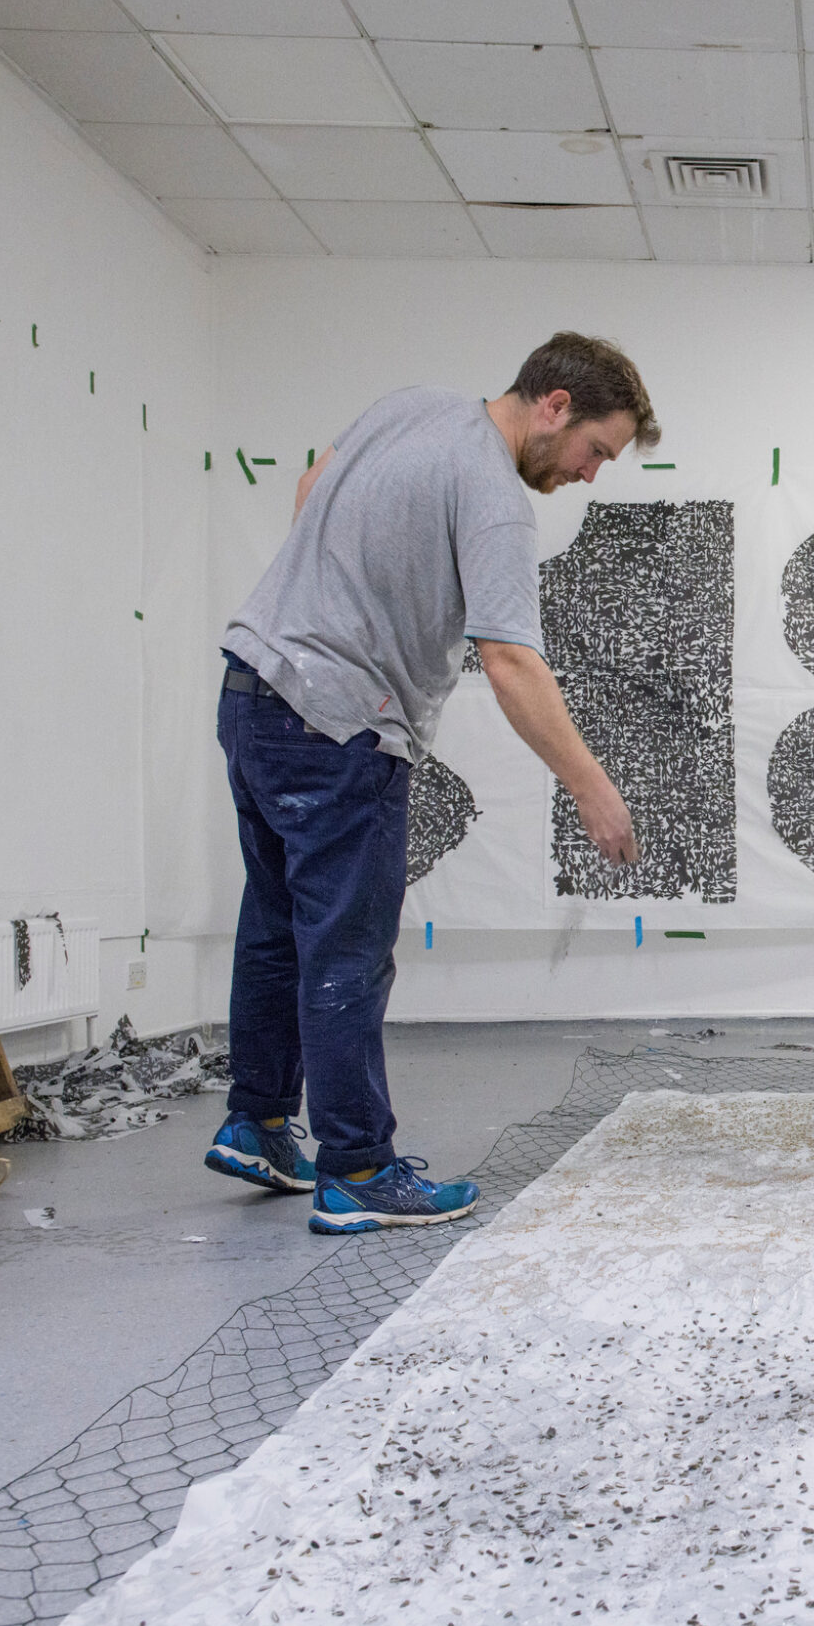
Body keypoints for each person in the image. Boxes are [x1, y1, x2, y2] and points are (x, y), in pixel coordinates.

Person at [206, 333, 656, 1234]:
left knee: (278, 926)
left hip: (253, 689)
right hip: (340, 729)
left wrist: (338, 599)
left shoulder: (413, 406)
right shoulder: (494, 496)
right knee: (346, 949)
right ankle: (359, 1167)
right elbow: (510, 660)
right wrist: (593, 790)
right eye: (595, 451)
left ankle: (257, 1121)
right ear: (556, 404)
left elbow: (311, 487)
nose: (590, 474)